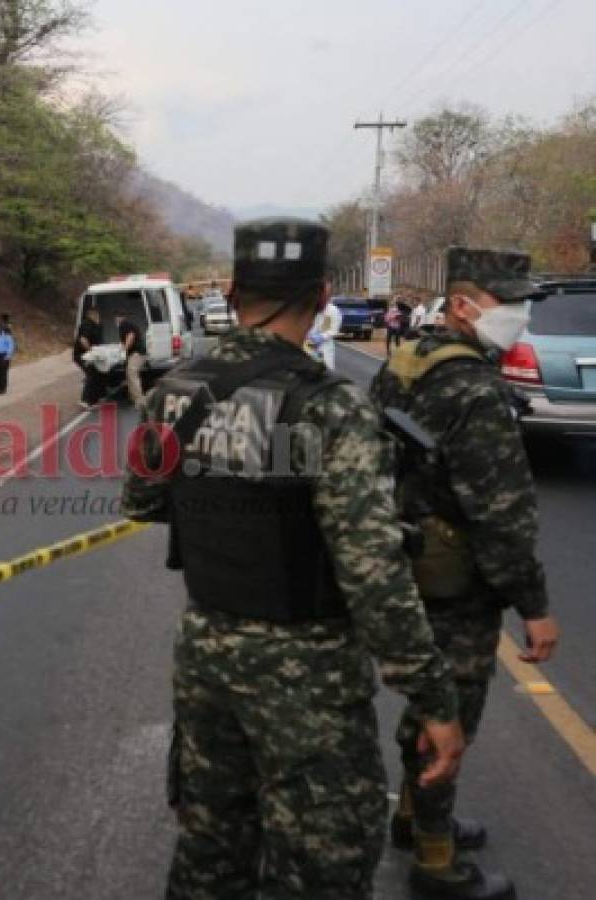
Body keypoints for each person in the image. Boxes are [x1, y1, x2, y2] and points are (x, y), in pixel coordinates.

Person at [123, 218, 464, 900]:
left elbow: (144, 502)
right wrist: (432, 698)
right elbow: (373, 575)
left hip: (207, 659)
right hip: (306, 672)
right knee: (321, 866)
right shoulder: (330, 406)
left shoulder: (174, 392)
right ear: (318, 297)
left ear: (230, 289)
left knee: (209, 851)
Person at [371, 247, 560, 900]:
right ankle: (433, 858)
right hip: (457, 578)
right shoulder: (475, 388)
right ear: (461, 304)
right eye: (505, 303)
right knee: (450, 714)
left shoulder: (407, 360)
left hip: (410, 558)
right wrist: (532, 604)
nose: (515, 316)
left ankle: (410, 817)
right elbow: (501, 514)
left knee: (429, 701)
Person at [74, 306, 105, 408]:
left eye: (98, 314)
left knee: (97, 373)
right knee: (91, 374)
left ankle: (94, 399)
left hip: (91, 355)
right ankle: (84, 400)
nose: (97, 316)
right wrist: (91, 351)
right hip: (82, 355)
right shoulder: (86, 324)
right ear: (90, 314)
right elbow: (83, 339)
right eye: (95, 314)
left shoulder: (97, 325)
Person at [116, 312, 147, 411]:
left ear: (119, 318)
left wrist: (125, 349)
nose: (116, 321)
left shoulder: (124, 324)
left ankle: (141, 401)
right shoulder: (128, 325)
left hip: (137, 353)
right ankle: (133, 398)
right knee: (129, 374)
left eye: (116, 319)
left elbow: (130, 336)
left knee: (132, 373)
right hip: (137, 353)